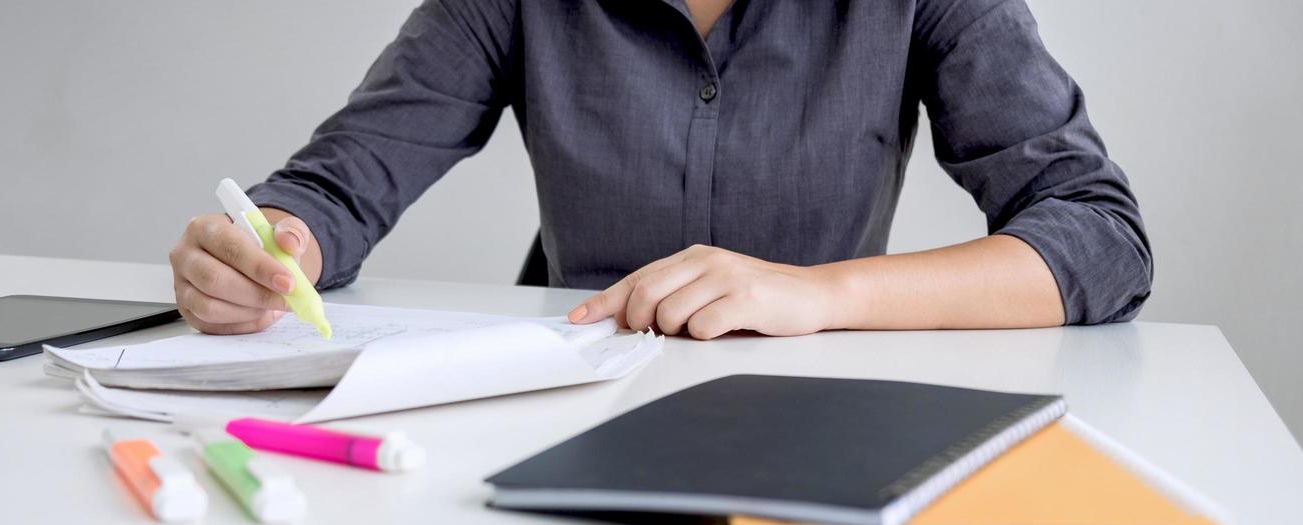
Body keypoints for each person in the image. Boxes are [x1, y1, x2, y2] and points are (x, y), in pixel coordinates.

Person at [169, 0, 1150, 340]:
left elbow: (1097, 236)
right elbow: (338, 187)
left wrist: (817, 295)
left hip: (819, 412)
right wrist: (274, 242)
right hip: (563, 412)